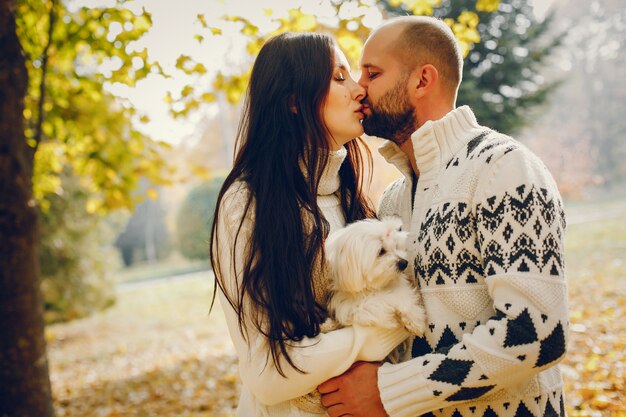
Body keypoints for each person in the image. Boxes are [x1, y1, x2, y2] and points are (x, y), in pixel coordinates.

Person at [318, 16, 569, 417]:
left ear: (422, 80)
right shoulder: (393, 201)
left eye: (373, 73)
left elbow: (538, 333)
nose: (359, 87)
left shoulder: (503, 168)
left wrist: (393, 391)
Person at [209, 32, 409, 417]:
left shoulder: (350, 196)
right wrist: (385, 330)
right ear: (295, 102)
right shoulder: (246, 204)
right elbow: (268, 372)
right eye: (339, 78)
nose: (359, 91)